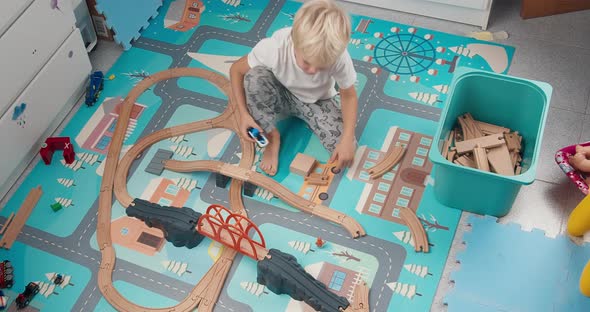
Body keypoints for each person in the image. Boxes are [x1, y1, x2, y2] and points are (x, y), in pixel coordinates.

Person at [229, 0, 358, 176]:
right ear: (294, 42)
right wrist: (243, 114)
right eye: (307, 62)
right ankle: (272, 137)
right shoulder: (274, 47)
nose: (313, 71)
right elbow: (236, 70)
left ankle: (311, 120)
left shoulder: (338, 55)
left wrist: (347, 139)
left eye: (321, 65)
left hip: (317, 101)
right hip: (280, 92)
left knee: (345, 147)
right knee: (254, 78)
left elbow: (349, 95)